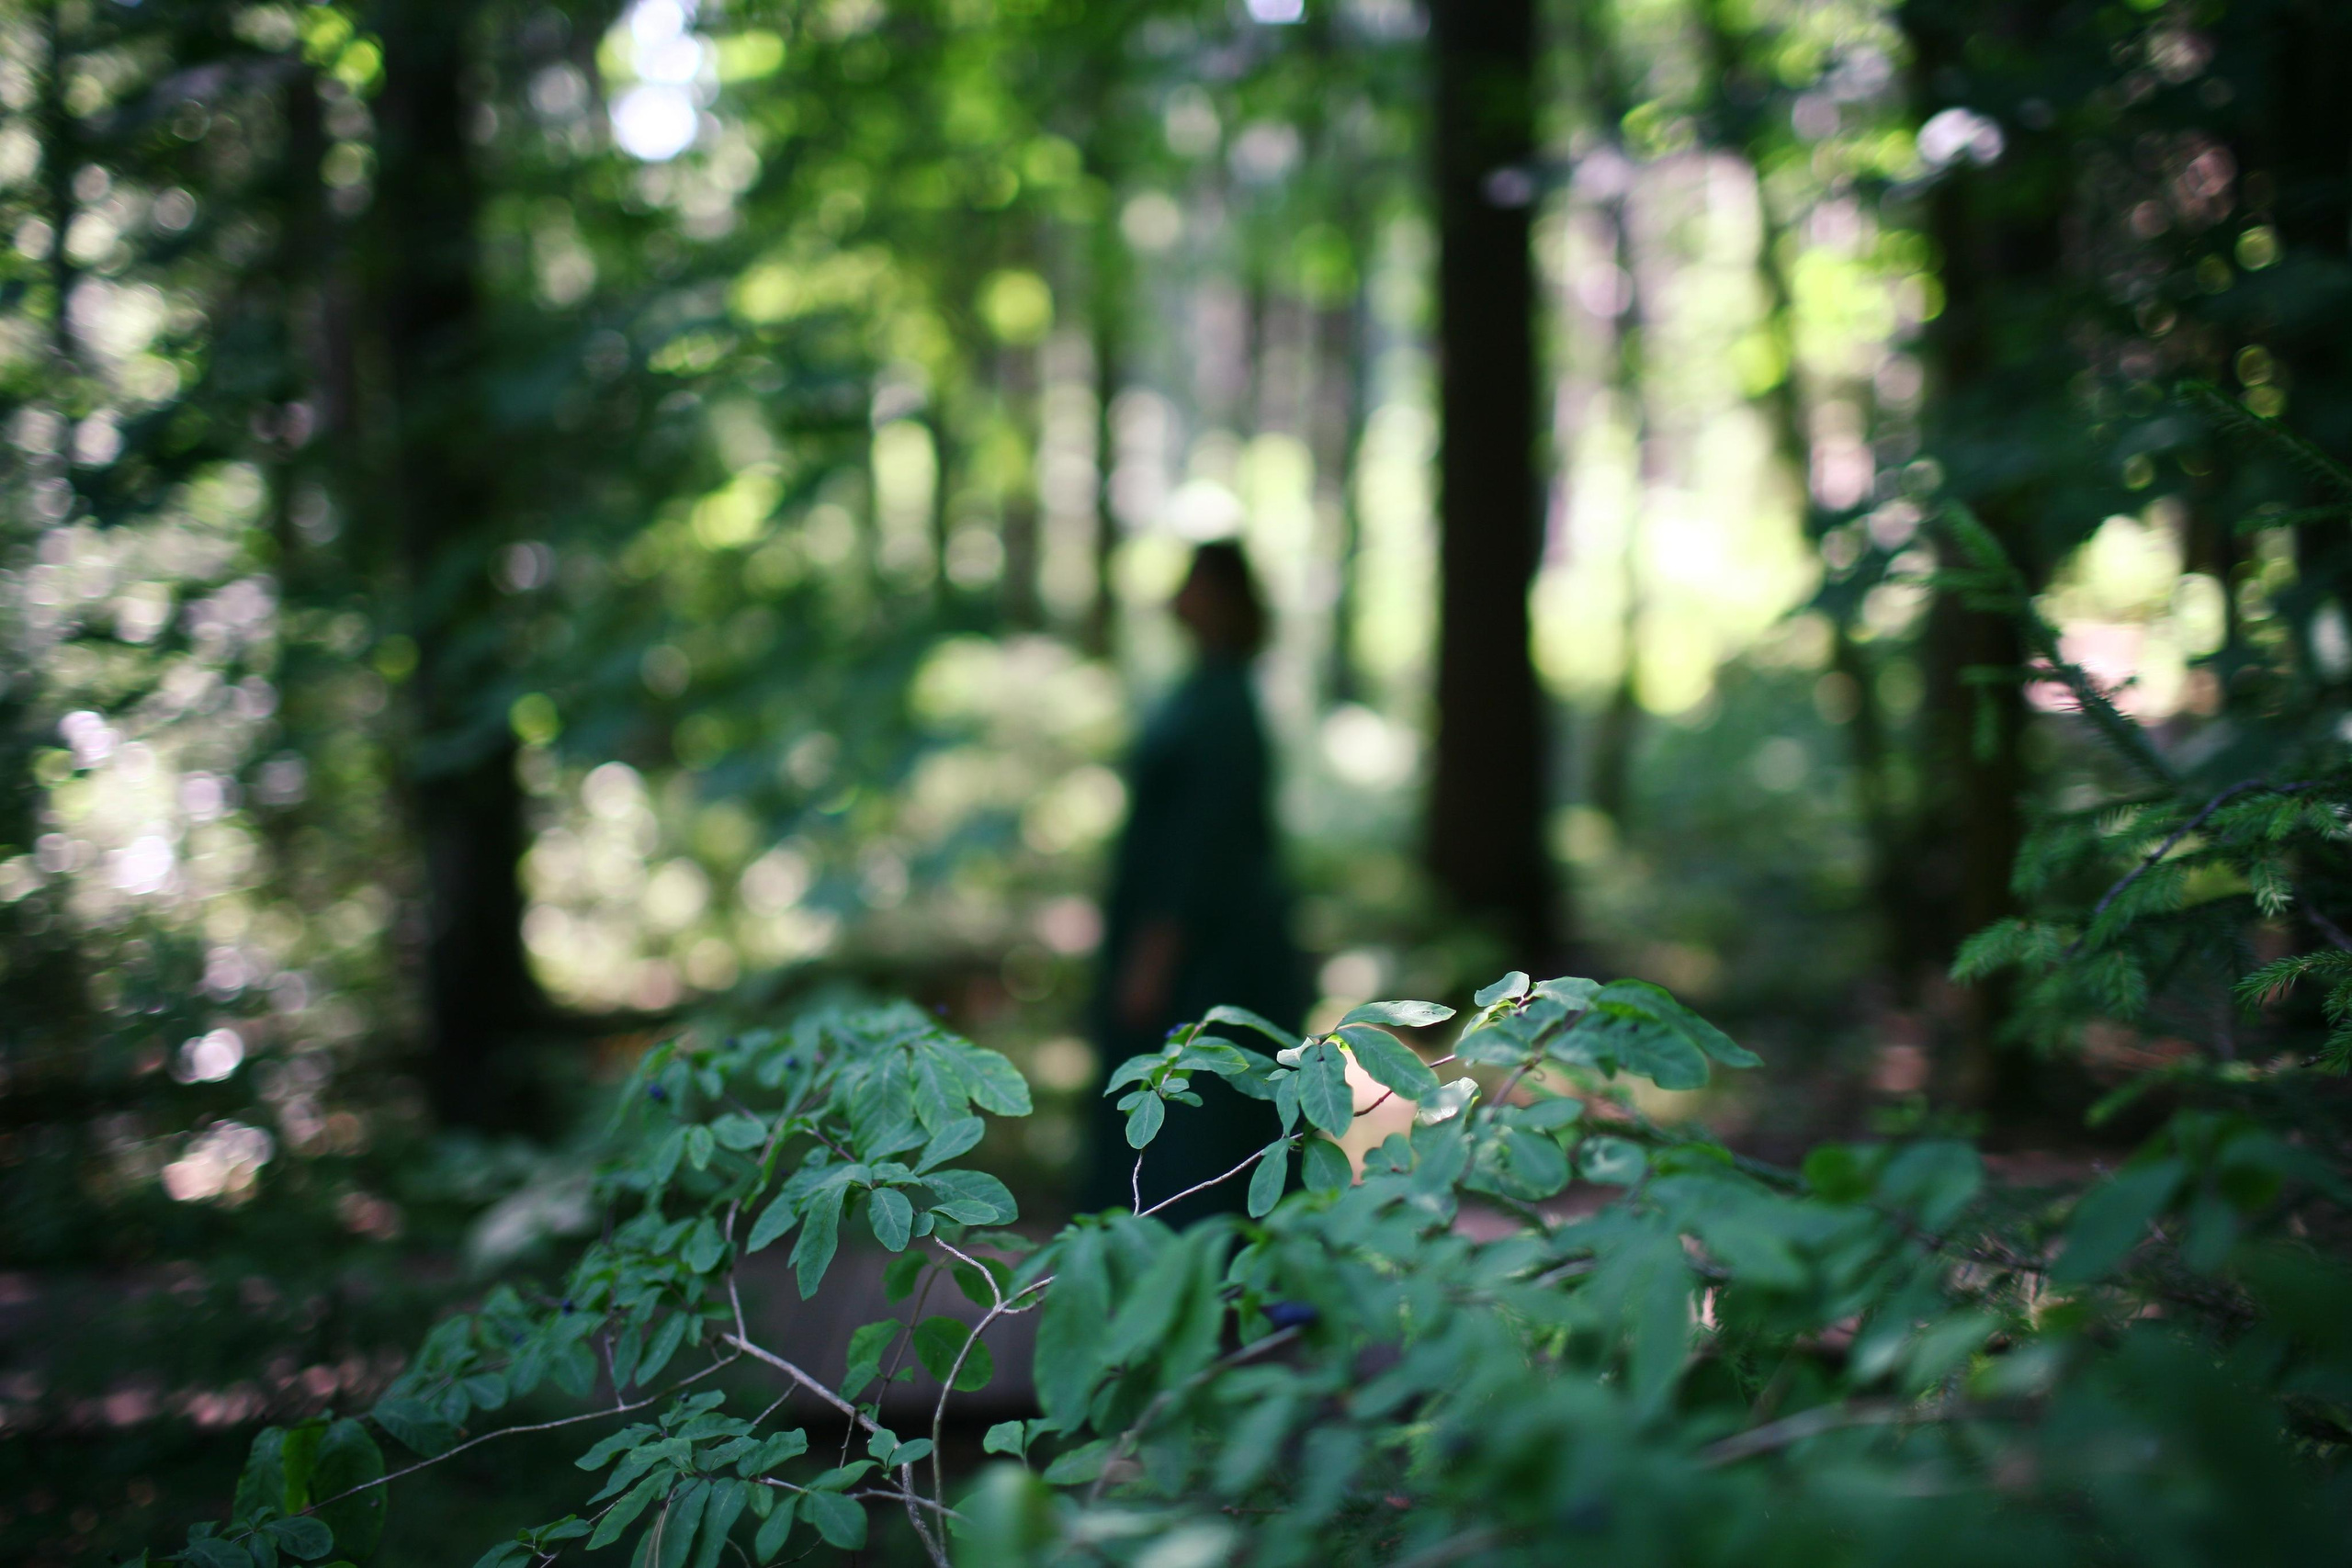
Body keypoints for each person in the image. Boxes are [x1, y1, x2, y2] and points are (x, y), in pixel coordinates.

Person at [1081, 540, 1308, 1224]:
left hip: (1211, 962)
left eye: (1196, 583)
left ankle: (1217, 1290)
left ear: (1227, 599)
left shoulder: (1225, 705)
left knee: (1202, 1117)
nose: (1180, 595)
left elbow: (1204, 852)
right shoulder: (1201, 689)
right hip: (1193, 950)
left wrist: (1153, 959)